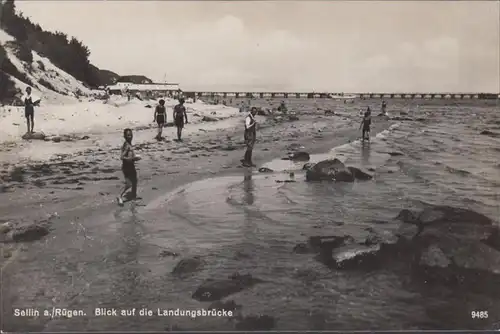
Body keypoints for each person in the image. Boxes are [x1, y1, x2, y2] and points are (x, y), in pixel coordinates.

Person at [117, 128, 141, 206]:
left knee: (135, 182)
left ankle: (133, 197)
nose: (130, 136)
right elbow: (122, 157)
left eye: (131, 135)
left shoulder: (129, 144)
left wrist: (135, 158)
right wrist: (132, 159)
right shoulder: (126, 145)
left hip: (131, 165)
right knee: (129, 184)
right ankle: (119, 196)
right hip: (126, 167)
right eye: (128, 135)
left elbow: (130, 156)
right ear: (125, 136)